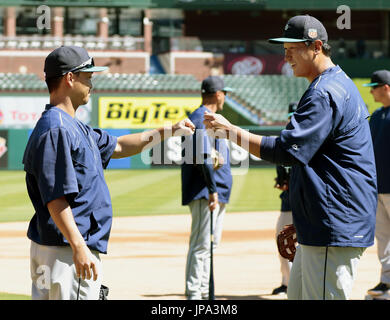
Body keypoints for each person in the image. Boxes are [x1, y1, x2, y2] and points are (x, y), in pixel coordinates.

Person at [203, 15, 377, 300]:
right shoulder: (336, 85)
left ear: (316, 46)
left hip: (333, 228)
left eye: (293, 48)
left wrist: (231, 130)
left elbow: (286, 151)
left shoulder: (325, 92)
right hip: (326, 223)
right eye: (284, 50)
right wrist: (307, 219)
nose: (286, 56)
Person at [22, 45, 195, 300]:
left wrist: (169, 130)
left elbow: (121, 145)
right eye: (88, 77)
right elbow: (55, 198)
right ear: (70, 78)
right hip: (66, 251)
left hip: (64, 249)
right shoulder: (57, 129)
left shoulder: (73, 127)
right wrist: (79, 246)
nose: (92, 84)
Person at [181, 76, 233, 300]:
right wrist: (212, 190)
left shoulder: (209, 118)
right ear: (218, 94)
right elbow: (201, 156)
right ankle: (195, 294)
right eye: (225, 94)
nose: (225, 98)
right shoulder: (199, 117)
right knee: (201, 246)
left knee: (209, 246)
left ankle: (202, 291)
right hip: (206, 192)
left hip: (214, 191)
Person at [363, 70, 390, 299]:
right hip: (378, 188)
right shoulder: (378, 116)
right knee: (383, 237)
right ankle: (386, 280)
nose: (371, 91)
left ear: (386, 88)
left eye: (374, 87)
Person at [271, 102, 297, 295]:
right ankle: (287, 282)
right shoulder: (283, 141)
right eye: (291, 116)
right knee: (283, 241)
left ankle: (295, 283)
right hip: (287, 202)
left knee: (301, 245)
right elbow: (281, 175)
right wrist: (281, 183)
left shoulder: (308, 140)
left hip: (303, 204)